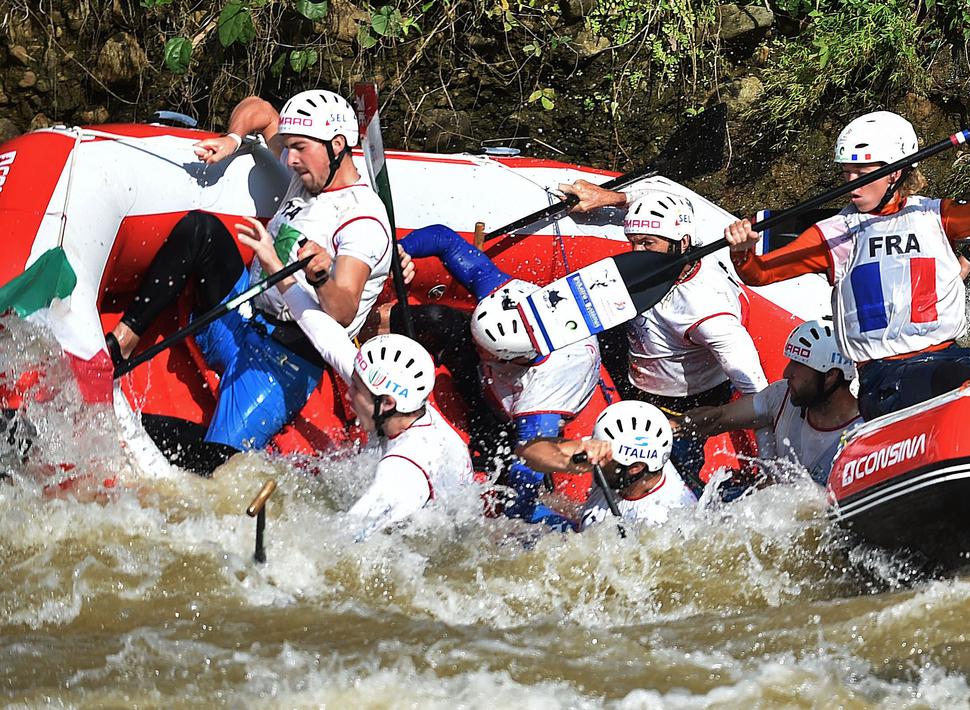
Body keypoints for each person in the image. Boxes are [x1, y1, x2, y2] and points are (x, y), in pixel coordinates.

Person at [107, 90, 392, 472]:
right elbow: (258, 109)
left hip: (286, 360)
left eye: (300, 148)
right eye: (288, 147)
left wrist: (321, 274)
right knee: (200, 229)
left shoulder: (363, 221)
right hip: (245, 308)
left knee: (219, 468)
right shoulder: (308, 171)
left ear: (337, 145)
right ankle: (122, 344)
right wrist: (233, 140)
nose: (289, 159)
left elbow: (342, 310)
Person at [723, 110, 970, 420]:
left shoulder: (935, 216)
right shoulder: (834, 233)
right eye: (847, 172)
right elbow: (761, 273)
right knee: (967, 387)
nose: (851, 184)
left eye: (862, 173)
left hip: (950, 355)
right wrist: (744, 253)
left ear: (894, 173)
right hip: (884, 376)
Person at [237, 220, 472, 540]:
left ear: (387, 403)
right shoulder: (393, 400)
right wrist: (274, 264)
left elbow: (338, 545)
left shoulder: (401, 472)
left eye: (357, 389)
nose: (349, 393)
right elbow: (326, 336)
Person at [556, 182, 769, 496]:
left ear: (682, 244)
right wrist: (610, 199)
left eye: (647, 244)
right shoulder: (679, 234)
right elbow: (659, 198)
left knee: (669, 478)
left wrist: (771, 460)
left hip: (684, 405)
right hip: (637, 371)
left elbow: (758, 392)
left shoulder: (708, 310)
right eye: (633, 243)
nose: (637, 254)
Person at [397, 225, 602, 529]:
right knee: (437, 319)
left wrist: (512, 516)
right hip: (513, 362)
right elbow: (443, 239)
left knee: (499, 447)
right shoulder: (504, 294)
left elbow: (529, 466)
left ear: (514, 357)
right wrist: (400, 250)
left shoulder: (542, 400)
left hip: (529, 395)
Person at [678, 319, 861, 491]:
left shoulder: (861, 434)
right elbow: (719, 418)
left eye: (798, 365)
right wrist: (674, 426)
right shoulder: (781, 394)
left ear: (830, 376)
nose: (786, 372)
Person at [521, 400, 696, 531]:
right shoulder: (624, 460)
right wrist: (572, 457)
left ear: (635, 467)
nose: (599, 461)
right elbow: (527, 451)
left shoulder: (661, 520)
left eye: (606, 459)